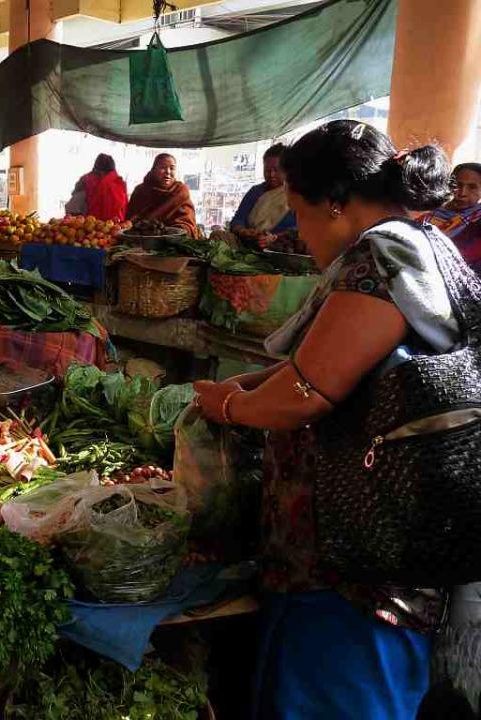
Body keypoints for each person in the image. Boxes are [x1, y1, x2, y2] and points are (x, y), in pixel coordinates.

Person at [193, 120, 458, 718]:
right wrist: (253, 383)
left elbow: (310, 390)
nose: (297, 229)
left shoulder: (380, 260)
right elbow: (342, 363)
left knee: (338, 694)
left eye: (298, 211)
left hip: (357, 556)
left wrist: (229, 406)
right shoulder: (421, 243)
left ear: (334, 202)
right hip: (379, 534)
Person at [231, 143, 297, 246]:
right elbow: (237, 220)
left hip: (279, 249)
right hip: (247, 244)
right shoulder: (255, 191)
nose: (271, 175)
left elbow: (299, 230)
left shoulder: (297, 195)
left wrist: (275, 238)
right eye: (267, 170)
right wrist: (244, 231)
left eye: (276, 170)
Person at [425, 162, 481, 272]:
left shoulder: (478, 221)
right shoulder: (429, 217)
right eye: (458, 185)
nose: (462, 193)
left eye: (472, 187)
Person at [126, 153, 199, 237]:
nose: (168, 172)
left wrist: (170, 233)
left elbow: (187, 224)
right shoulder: (141, 191)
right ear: (153, 170)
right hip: (141, 242)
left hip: (173, 244)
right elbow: (129, 222)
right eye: (163, 167)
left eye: (172, 168)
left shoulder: (180, 192)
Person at [67, 154, 128, 222]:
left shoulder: (86, 181)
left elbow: (72, 208)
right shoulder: (120, 184)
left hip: (91, 229)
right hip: (117, 229)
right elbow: (125, 210)